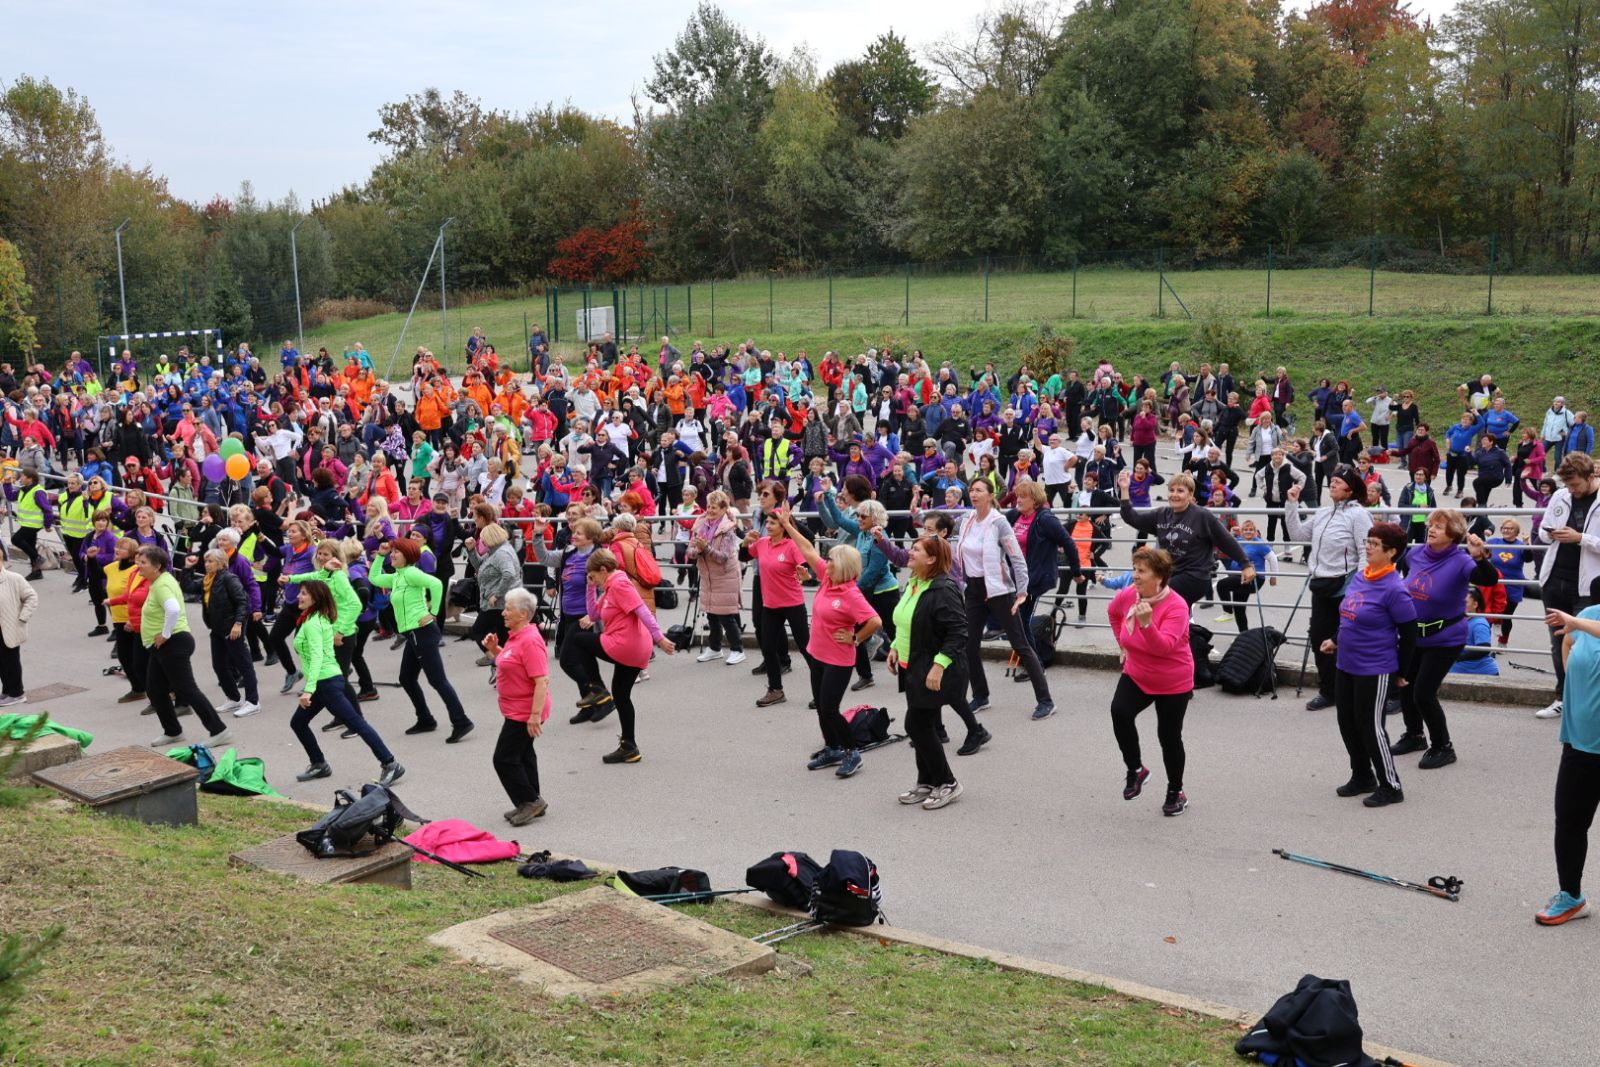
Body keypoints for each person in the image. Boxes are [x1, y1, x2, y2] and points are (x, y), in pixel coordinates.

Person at [772, 511, 883, 779]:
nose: (826, 561)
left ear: (841, 565)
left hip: (838, 660)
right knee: (822, 708)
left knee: (831, 709)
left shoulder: (851, 593)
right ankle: (833, 748)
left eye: (831, 559)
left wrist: (856, 638)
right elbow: (808, 549)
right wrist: (787, 524)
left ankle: (851, 752)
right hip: (818, 655)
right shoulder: (827, 577)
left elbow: (875, 621)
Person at [1392, 511, 1499, 769]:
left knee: (1423, 693)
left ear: (1453, 534)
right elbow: (1406, 579)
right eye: (1431, 525)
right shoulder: (1415, 553)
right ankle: (1414, 735)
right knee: (1405, 685)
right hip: (1413, 634)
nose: (1431, 529)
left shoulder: (1461, 561)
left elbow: (1488, 579)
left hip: (1446, 638)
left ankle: (1443, 746)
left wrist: (1479, 557)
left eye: (1439, 527)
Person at [1321, 523, 1416, 808]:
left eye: (1375, 544)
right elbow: (1350, 614)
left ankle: (1391, 785)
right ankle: (1362, 776)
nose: (1368, 547)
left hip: (1375, 667)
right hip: (1346, 662)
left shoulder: (1395, 589)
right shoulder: (1361, 576)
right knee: (1347, 721)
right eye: (1368, 541)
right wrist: (1335, 639)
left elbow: (1409, 634)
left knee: (1371, 726)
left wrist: (1402, 673)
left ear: (1391, 552)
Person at [559, 549, 677, 764]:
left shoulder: (620, 584)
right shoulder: (609, 588)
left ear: (604, 570)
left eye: (593, 576)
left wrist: (660, 638)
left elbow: (642, 611)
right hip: (632, 648)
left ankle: (597, 689)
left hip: (625, 644)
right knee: (621, 696)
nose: (593, 580)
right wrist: (589, 587)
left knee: (578, 639)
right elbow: (594, 615)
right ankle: (629, 747)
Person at [953, 478, 1055, 720]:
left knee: (1021, 645)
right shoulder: (967, 519)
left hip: (999, 591)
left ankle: (1046, 701)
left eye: (979, 490)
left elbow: (1017, 559)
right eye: (971, 490)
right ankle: (981, 695)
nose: (973, 494)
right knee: (969, 646)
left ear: (990, 495)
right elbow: (945, 531)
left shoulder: (998, 523)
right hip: (974, 590)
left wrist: (1022, 592)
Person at [287, 579, 404, 786]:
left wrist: (308, 690)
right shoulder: (315, 617)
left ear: (316, 598)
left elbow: (317, 658)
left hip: (325, 683)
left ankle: (390, 764)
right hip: (325, 681)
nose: (299, 596)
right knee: (298, 723)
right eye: (300, 592)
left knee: (356, 723)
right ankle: (319, 764)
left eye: (304, 593)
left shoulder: (313, 623)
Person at [1106, 547, 1194, 816]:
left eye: (1141, 571)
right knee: (1120, 711)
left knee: (1168, 737)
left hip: (1173, 680)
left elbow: (1163, 647)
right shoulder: (1128, 596)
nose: (1134, 576)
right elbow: (1113, 612)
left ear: (1159, 577)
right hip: (1138, 672)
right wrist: (1122, 644)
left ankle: (1176, 791)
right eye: (1134, 569)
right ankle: (1136, 769)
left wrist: (1146, 624)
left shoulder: (1177, 606)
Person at [889, 536, 969, 811]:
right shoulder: (914, 582)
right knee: (924, 725)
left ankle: (948, 782)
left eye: (916, 550)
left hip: (931, 668)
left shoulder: (944, 589)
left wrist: (939, 666)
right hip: (913, 666)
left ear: (932, 559)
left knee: (916, 725)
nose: (909, 553)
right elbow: (906, 622)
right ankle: (926, 782)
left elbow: (958, 632)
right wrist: (894, 647)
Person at [1283, 467, 1373, 711]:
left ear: (1350, 490)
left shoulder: (1359, 515)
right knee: (1319, 638)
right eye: (1331, 481)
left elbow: (1365, 553)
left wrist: (1360, 588)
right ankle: (1328, 691)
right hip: (1321, 585)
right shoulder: (1323, 513)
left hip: (1347, 587)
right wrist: (1292, 505)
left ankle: (1354, 690)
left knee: (1348, 640)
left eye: (1337, 482)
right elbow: (1298, 535)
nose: (1332, 484)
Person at [369, 537, 475, 743]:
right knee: (406, 678)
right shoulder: (398, 576)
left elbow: (436, 583)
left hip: (422, 632)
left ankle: (461, 721)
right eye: (392, 552)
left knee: (437, 680)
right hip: (413, 634)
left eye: (396, 552)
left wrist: (432, 613)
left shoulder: (411, 573)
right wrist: (380, 556)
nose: (392, 555)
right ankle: (425, 719)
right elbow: (374, 578)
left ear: (407, 555)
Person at [1537, 603, 1600, 924]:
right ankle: (1571, 897)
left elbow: (1576, 628)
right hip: (1580, 742)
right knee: (1569, 822)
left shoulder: (1581, 619)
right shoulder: (1588, 614)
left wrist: (1575, 622)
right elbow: (1568, 640)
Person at [136, 546, 233, 750]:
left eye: (143, 562)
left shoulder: (162, 584)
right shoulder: (161, 581)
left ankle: (219, 731)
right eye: (138, 561)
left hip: (172, 644)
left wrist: (165, 634)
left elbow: (173, 609)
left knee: (187, 689)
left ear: (157, 566)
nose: (138, 565)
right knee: (155, 689)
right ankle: (173, 731)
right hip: (162, 646)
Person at [1116, 470, 1253, 606]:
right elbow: (1132, 518)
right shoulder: (1161, 514)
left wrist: (1245, 564)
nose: (1174, 494)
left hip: (1194, 576)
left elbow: (1225, 540)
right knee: (1141, 593)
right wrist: (1124, 489)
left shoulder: (1202, 516)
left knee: (1158, 596)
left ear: (1190, 494)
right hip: (1170, 573)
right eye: (1171, 490)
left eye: (1180, 491)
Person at [1535, 453, 1600, 720]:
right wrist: (1551, 533)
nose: (1570, 490)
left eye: (1575, 485)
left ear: (1591, 476)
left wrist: (1580, 538)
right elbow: (1542, 532)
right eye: (1567, 485)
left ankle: (1585, 701)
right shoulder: (1560, 496)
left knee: (1585, 645)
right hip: (1554, 580)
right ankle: (1562, 697)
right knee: (1558, 641)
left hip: (1587, 586)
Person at [483, 587, 551, 825]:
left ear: (523, 614)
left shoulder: (530, 641)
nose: (503, 613)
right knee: (523, 754)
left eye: (508, 609)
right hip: (516, 709)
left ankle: (530, 801)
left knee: (503, 759)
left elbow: (541, 681)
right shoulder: (517, 636)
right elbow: (513, 662)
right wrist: (495, 650)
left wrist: (534, 715)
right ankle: (531, 801)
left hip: (525, 711)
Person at [742, 507, 811, 708]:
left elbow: (806, 567)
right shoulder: (762, 543)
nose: (768, 526)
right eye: (767, 522)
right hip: (771, 606)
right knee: (768, 647)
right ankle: (775, 690)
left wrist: (805, 575)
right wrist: (745, 543)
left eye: (773, 523)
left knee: (806, 648)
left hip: (793, 604)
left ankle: (821, 690)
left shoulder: (791, 546)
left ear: (783, 526)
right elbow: (743, 557)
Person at [199, 549, 259, 719]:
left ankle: (253, 702)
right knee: (219, 665)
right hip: (217, 629)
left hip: (232, 628)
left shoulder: (229, 578)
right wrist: (187, 569)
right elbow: (188, 587)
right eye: (205, 561)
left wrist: (238, 624)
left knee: (244, 664)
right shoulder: (207, 580)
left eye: (210, 561)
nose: (206, 564)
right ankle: (234, 698)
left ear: (221, 563)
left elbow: (242, 602)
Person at [687, 490, 745, 664]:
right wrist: (697, 550)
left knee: (726, 616)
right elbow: (690, 551)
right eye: (709, 507)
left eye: (714, 508)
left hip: (725, 576)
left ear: (723, 509)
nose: (710, 511)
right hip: (708, 577)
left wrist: (705, 548)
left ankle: (737, 650)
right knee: (711, 614)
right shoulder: (701, 525)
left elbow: (723, 557)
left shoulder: (728, 529)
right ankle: (715, 648)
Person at [1213, 519, 1277, 633]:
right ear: (1241, 531)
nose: (1248, 531)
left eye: (1251, 529)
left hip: (1253, 579)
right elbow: (1226, 542)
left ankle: (1228, 612)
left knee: (1222, 585)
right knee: (1239, 609)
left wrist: (1273, 577)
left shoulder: (1259, 544)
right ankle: (1243, 634)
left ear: (1255, 531)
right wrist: (1231, 533)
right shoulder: (1239, 540)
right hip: (1239, 577)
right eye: (1245, 529)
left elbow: (1273, 559)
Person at [0, 553, 38, 706]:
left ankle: (17, 693)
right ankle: (7, 690)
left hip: (10, 627)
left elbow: (32, 597)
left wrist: (23, 617)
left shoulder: (14, 578)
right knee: (1, 662)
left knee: (11, 661)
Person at [1450, 589, 1499, 676]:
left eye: (1465, 602)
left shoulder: (1479, 624)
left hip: (1482, 673)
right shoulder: (1456, 618)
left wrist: (1457, 657)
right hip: (1458, 669)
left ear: (1475, 605)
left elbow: (1484, 649)